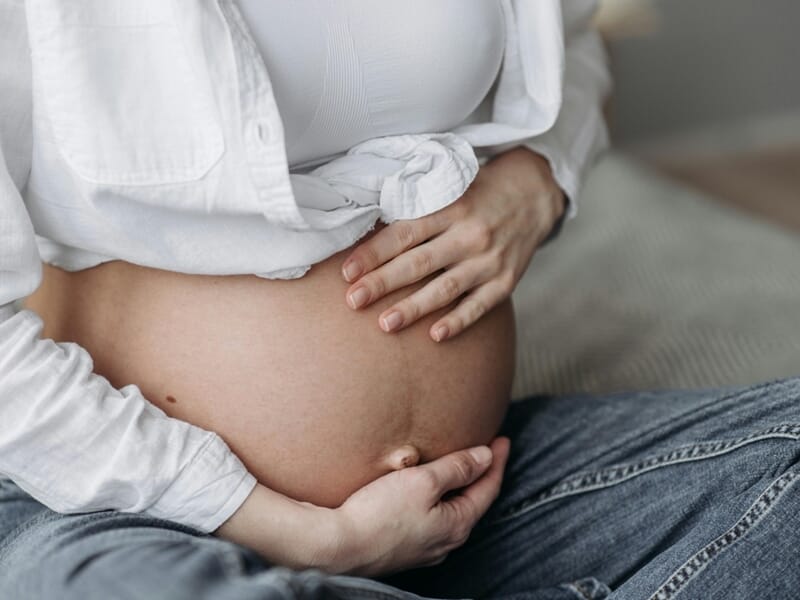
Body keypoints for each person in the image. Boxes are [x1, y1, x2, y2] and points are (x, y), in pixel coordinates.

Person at [1, 1, 797, 599]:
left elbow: (574, 41)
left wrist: (541, 175)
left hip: (469, 502)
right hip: (130, 513)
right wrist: (311, 539)